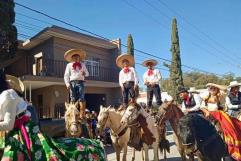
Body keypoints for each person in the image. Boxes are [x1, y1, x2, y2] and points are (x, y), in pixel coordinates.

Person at [0, 70, 106, 161]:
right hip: (14, 130)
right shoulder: (10, 97)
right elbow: (66, 76)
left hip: (22, 129)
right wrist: (68, 83)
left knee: (80, 99)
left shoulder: (8, 95)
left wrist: (81, 76)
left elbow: (8, 124)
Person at [64, 49, 89, 118]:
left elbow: (87, 73)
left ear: (79, 58)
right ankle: (73, 113)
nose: (76, 58)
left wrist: (85, 73)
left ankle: (82, 114)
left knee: (82, 97)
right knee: (73, 98)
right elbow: (66, 75)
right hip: (72, 83)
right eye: (74, 57)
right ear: (72, 58)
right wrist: (67, 84)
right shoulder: (69, 65)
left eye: (77, 57)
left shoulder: (82, 65)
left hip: (81, 82)